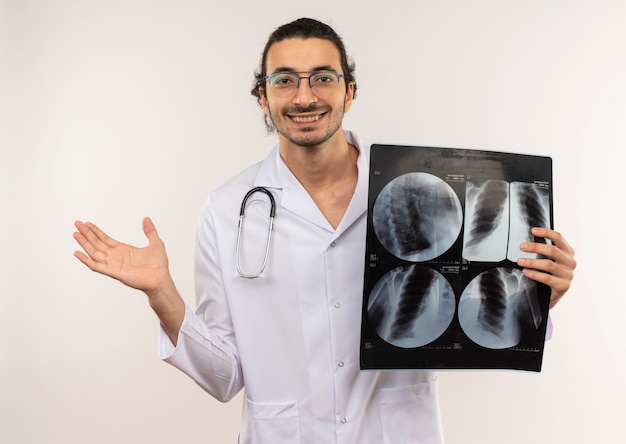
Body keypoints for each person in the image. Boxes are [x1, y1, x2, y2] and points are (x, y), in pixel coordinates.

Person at [73, 17, 576, 444]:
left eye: (323, 77)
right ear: (262, 98)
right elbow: (224, 378)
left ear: (349, 92)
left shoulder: (423, 191)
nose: (304, 96)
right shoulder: (228, 210)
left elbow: (473, 331)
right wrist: (163, 293)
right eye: (285, 80)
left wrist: (536, 296)